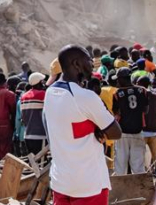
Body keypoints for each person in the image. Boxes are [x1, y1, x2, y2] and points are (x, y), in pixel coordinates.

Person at [44, 45, 121, 205]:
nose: (92, 63)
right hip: (89, 185)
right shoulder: (85, 96)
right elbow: (115, 132)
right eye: (88, 59)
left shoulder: (50, 93)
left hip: (61, 182)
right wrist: (98, 129)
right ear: (76, 64)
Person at [112, 67, 148, 175]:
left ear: (123, 79)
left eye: (118, 79)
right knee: (138, 166)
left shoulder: (117, 93)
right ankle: (140, 190)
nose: (117, 81)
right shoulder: (142, 90)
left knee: (120, 165)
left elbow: (116, 112)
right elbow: (146, 110)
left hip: (122, 133)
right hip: (137, 131)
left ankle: (121, 190)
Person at [136, 76, 156, 173]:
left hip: (142, 131)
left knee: (141, 158)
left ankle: (144, 178)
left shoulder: (139, 95)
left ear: (140, 83)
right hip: (154, 130)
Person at [21, 72, 47, 155]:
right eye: (42, 81)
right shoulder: (43, 94)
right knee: (41, 163)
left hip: (28, 134)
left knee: (33, 162)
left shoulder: (24, 97)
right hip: (41, 135)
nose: (44, 83)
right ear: (39, 82)